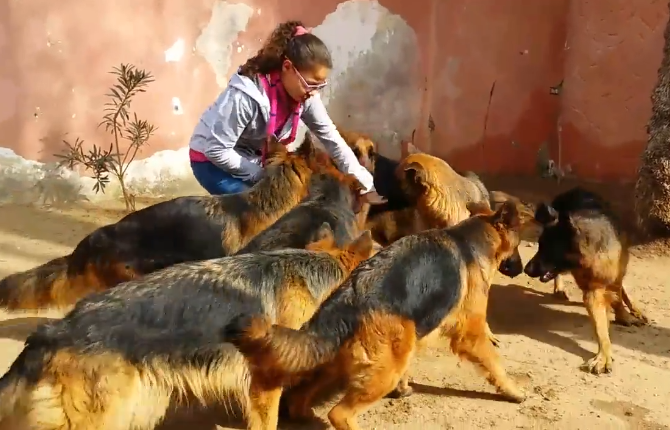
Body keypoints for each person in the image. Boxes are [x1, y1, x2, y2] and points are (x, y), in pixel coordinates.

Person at [188, 20, 385, 203]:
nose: (314, 92)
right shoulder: (246, 96)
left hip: (254, 160)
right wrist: (265, 177)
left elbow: (331, 138)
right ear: (287, 67)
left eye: (320, 85)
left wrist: (365, 184)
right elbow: (216, 150)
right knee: (262, 213)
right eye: (311, 84)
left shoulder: (305, 95)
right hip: (211, 162)